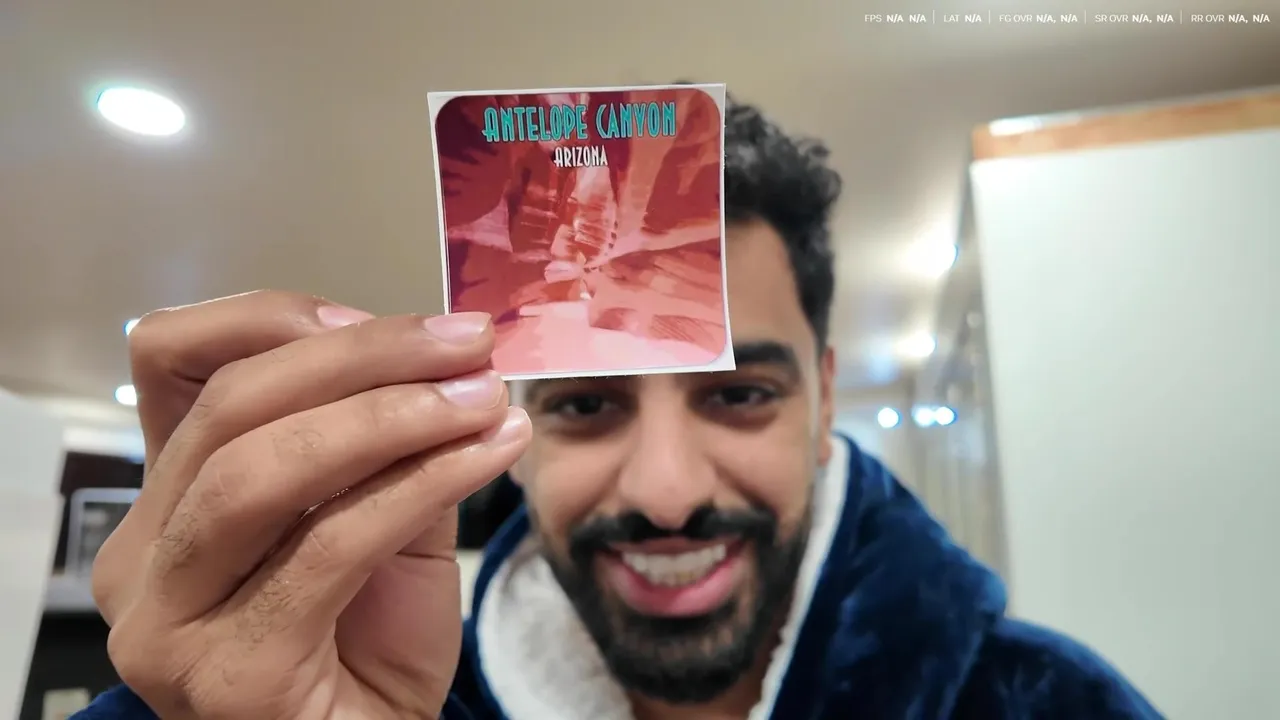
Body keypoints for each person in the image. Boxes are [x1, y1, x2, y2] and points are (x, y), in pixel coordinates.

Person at [73, 96, 1161, 720]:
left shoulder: (1046, 701)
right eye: (587, 404)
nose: (666, 493)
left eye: (739, 395)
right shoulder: (351, 695)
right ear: (508, 426)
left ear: (824, 392)